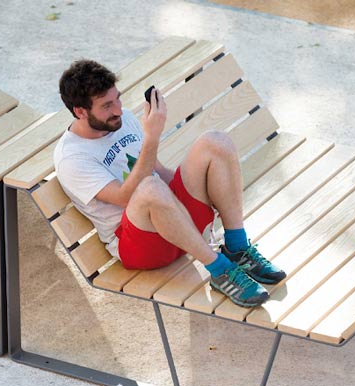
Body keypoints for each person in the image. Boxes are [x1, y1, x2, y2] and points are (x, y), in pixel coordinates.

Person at [54, 59, 286, 308]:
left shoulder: (123, 120)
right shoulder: (72, 157)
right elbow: (124, 197)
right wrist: (152, 137)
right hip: (141, 246)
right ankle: (220, 270)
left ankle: (237, 246)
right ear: (80, 111)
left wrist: (205, 187)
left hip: (176, 224)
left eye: (118, 99)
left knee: (215, 141)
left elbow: (160, 171)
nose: (119, 110)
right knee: (149, 189)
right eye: (107, 105)